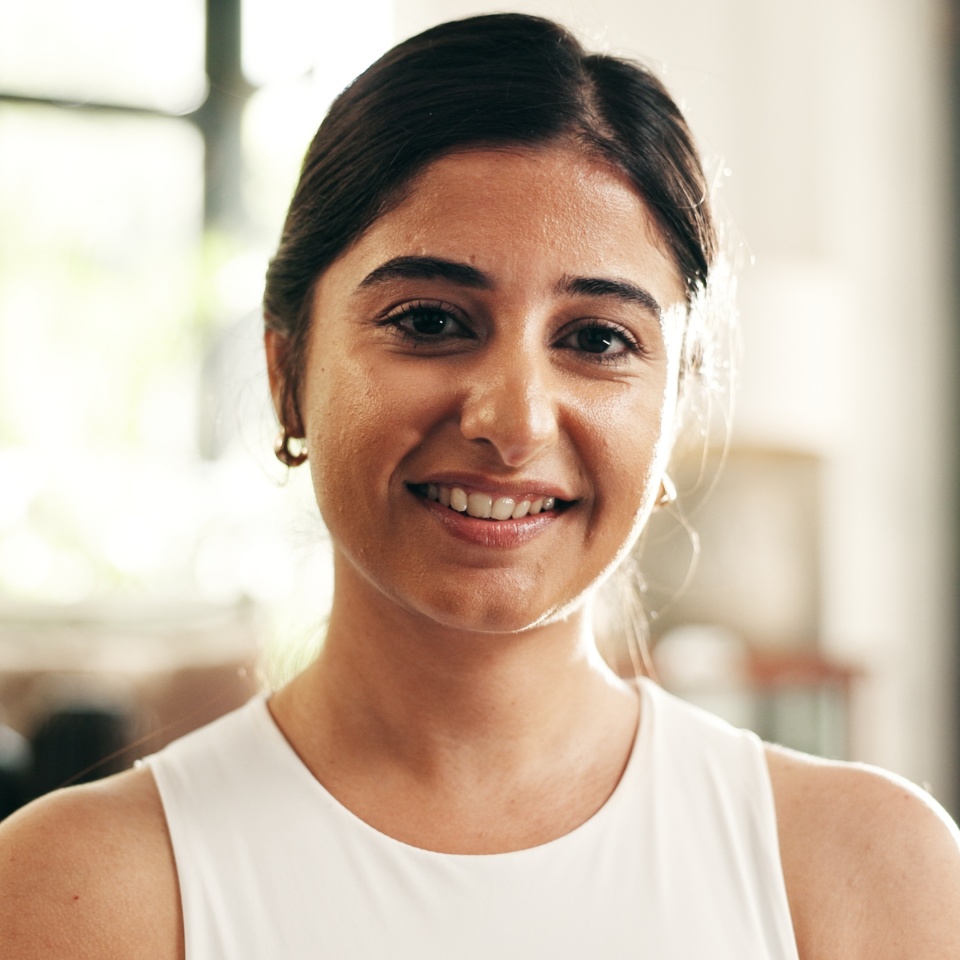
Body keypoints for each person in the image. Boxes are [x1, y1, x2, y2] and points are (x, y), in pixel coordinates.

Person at [1, 13, 958, 959]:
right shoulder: (71, 893)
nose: (515, 421)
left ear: (672, 411)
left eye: (596, 339)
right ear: (286, 371)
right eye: (428, 321)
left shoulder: (873, 875)